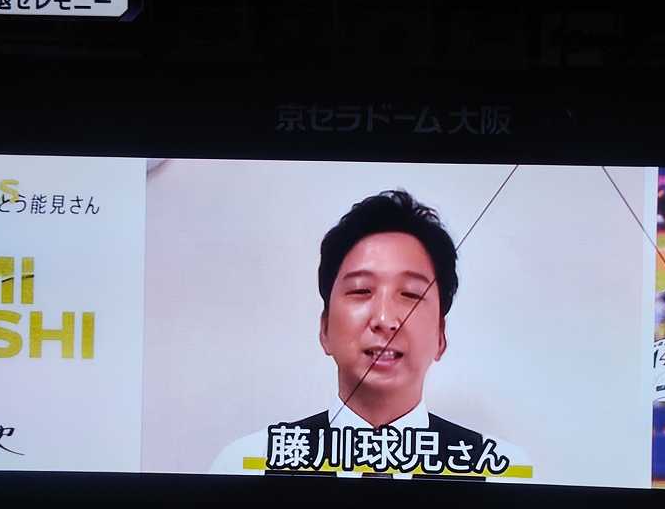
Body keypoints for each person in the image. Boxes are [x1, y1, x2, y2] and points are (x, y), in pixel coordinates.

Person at [212, 190, 521, 479]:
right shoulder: (249, 465)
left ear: (441, 337)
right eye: (361, 290)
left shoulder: (500, 473)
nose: (385, 320)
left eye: (411, 294)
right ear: (324, 329)